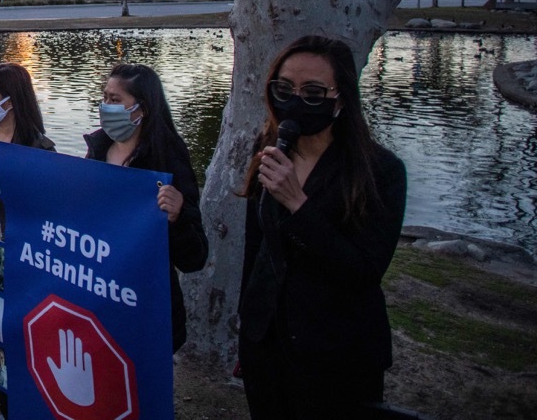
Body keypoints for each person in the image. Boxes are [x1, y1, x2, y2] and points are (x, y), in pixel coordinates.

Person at [238, 36, 407, 420]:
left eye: (313, 92)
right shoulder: (269, 149)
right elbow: (258, 248)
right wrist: (247, 328)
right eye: (284, 88)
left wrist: (298, 205)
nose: (295, 101)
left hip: (337, 351)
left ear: (341, 99)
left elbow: (364, 271)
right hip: (266, 343)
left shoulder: (381, 172)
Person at [84, 62, 208, 353]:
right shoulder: (97, 150)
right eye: (104, 97)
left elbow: (195, 257)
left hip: (147, 305)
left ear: (143, 109)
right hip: (99, 297)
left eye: (115, 100)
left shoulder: (169, 158)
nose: (105, 106)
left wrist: (177, 217)